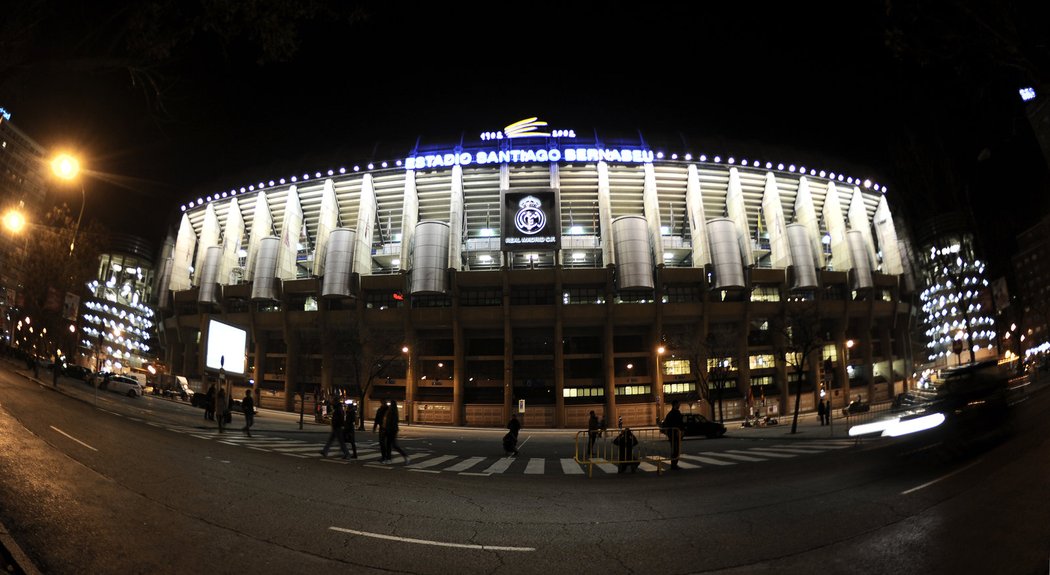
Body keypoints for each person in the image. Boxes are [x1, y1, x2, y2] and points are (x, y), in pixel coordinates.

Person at [662, 400, 685, 470]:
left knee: (675, 449)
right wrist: (679, 430)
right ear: (675, 404)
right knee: (675, 450)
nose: (679, 405)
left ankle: (674, 464)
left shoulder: (671, 413)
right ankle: (674, 465)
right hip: (674, 434)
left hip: (673, 434)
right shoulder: (674, 413)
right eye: (678, 404)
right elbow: (679, 423)